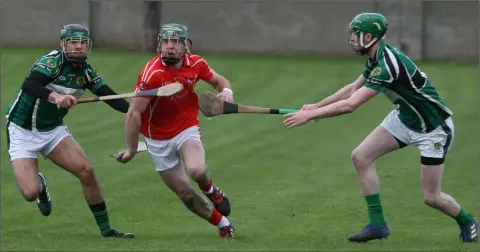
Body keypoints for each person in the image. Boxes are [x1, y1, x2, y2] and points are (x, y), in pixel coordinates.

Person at [282, 13, 478, 243]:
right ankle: (377, 225)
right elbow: (353, 88)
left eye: (355, 35)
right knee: (361, 157)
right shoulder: (376, 57)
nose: (352, 39)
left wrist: (311, 115)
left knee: (431, 197)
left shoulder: (387, 65)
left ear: (369, 36)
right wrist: (316, 105)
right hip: (404, 119)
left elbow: (351, 104)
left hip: (433, 129)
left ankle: (468, 221)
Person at [4, 24, 135, 239]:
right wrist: (55, 97)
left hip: (52, 130)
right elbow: (30, 85)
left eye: (83, 43)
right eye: (73, 42)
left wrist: (134, 112)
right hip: (22, 130)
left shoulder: (86, 72)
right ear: (63, 44)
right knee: (30, 193)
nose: (78, 47)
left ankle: (107, 231)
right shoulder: (51, 62)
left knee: (86, 171)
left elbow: (109, 96)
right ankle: (41, 186)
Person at [116, 23, 235, 238]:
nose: (170, 47)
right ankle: (222, 223)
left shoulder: (196, 63)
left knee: (197, 170)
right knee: (185, 193)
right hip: (157, 138)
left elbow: (218, 80)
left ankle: (211, 190)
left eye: (175, 42)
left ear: (186, 45)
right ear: (160, 44)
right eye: (166, 41)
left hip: (185, 127)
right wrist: (132, 150)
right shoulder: (151, 74)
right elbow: (133, 113)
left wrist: (226, 92)